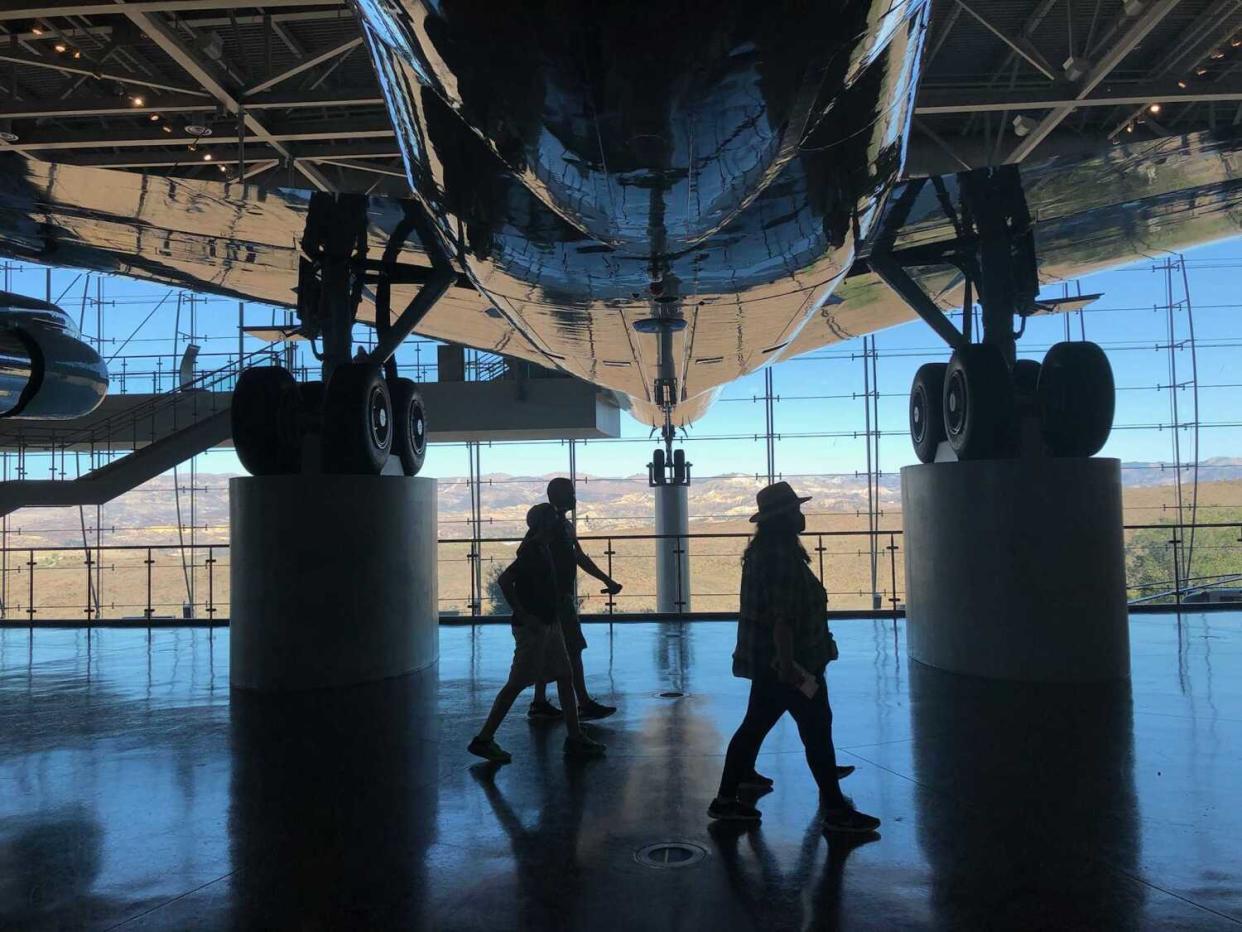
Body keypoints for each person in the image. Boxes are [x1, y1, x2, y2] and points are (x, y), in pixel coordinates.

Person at [709, 481, 880, 834]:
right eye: (796, 510)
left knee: (757, 726)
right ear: (783, 518)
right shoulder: (782, 557)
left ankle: (728, 798)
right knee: (816, 729)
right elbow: (783, 618)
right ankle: (835, 809)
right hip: (790, 665)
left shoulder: (764, 552)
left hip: (772, 663)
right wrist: (789, 666)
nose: (801, 516)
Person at [468, 503, 606, 763]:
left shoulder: (541, 547)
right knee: (516, 684)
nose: (559, 522)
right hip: (535, 627)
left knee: (565, 676)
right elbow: (505, 580)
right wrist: (523, 614)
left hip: (547, 623)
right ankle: (483, 739)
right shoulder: (533, 552)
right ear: (545, 524)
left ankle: (575, 737)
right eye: (554, 519)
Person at [528, 477, 623, 722]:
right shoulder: (558, 528)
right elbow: (578, 557)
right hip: (559, 599)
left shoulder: (558, 526)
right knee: (573, 649)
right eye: (569, 493)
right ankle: (582, 703)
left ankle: (540, 702)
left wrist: (606, 580)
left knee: (548, 651)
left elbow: (578, 556)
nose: (574, 497)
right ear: (556, 496)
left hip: (552, 598)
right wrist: (606, 580)